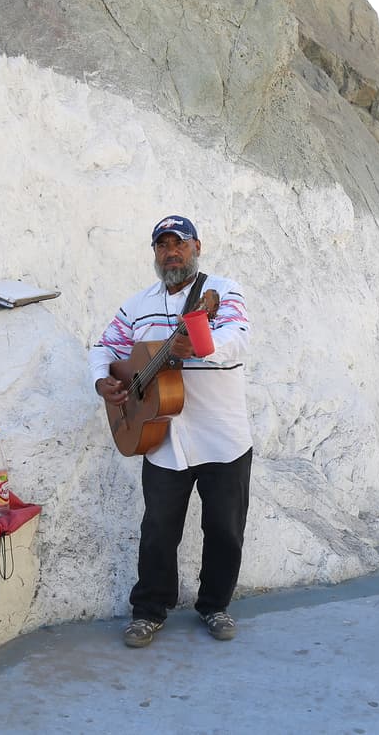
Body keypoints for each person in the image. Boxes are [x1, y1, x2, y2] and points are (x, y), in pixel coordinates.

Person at [89, 214, 254, 648]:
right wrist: (102, 380)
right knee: (158, 529)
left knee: (224, 529)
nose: (171, 252)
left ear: (197, 246)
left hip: (222, 437)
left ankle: (215, 605)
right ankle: (149, 610)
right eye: (163, 246)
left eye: (179, 243)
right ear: (156, 254)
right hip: (162, 437)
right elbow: (105, 346)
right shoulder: (137, 304)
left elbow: (236, 338)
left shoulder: (223, 291)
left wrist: (201, 343)